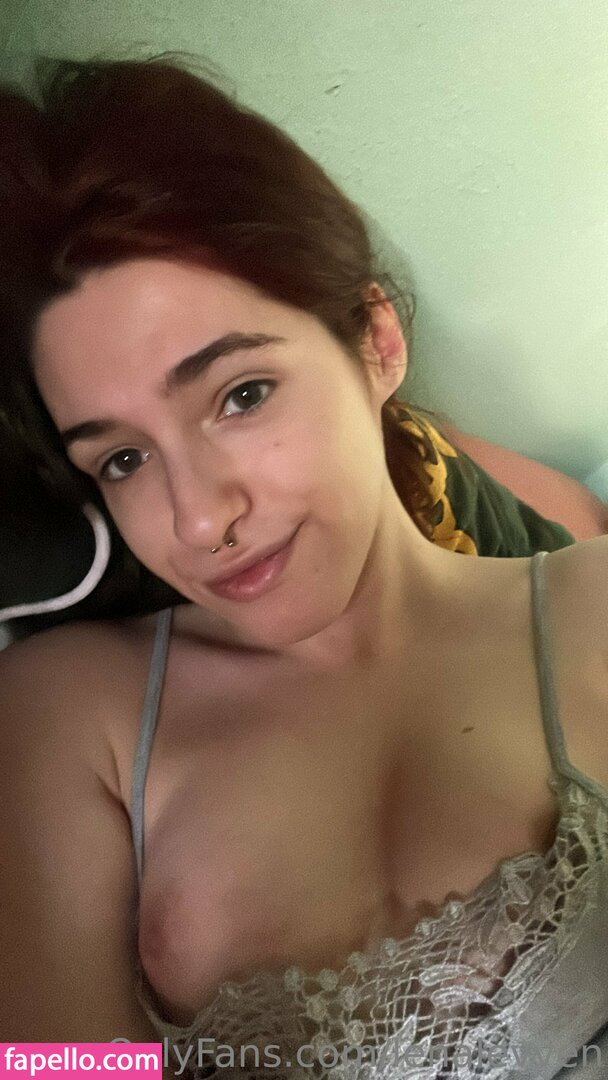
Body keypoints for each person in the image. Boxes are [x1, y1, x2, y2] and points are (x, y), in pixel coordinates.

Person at [0, 55, 607, 1079]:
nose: (199, 519)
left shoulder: (593, 608)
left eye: (240, 395)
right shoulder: (65, 715)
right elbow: (47, 1065)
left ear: (377, 343)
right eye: (123, 459)